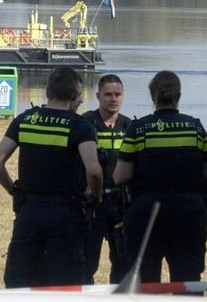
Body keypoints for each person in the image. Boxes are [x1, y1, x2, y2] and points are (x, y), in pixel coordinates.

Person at [0, 67, 103, 288]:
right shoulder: (81, 126)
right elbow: (94, 170)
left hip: (29, 210)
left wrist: (13, 189)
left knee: (20, 278)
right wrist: (95, 196)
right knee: (66, 281)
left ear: (48, 91)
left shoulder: (25, 120)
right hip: (67, 213)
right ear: (74, 95)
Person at [113, 70, 207, 287]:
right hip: (189, 212)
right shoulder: (195, 128)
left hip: (147, 212)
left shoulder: (139, 128)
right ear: (178, 95)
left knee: (146, 281)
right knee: (188, 281)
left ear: (153, 96)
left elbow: (120, 176)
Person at [82, 74, 133, 284]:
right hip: (93, 203)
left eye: (117, 94)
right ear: (98, 96)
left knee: (123, 262)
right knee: (86, 262)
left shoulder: (130, 127)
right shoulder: (85, 124)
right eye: (108, 94)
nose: (113, 99)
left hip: (122, 204)